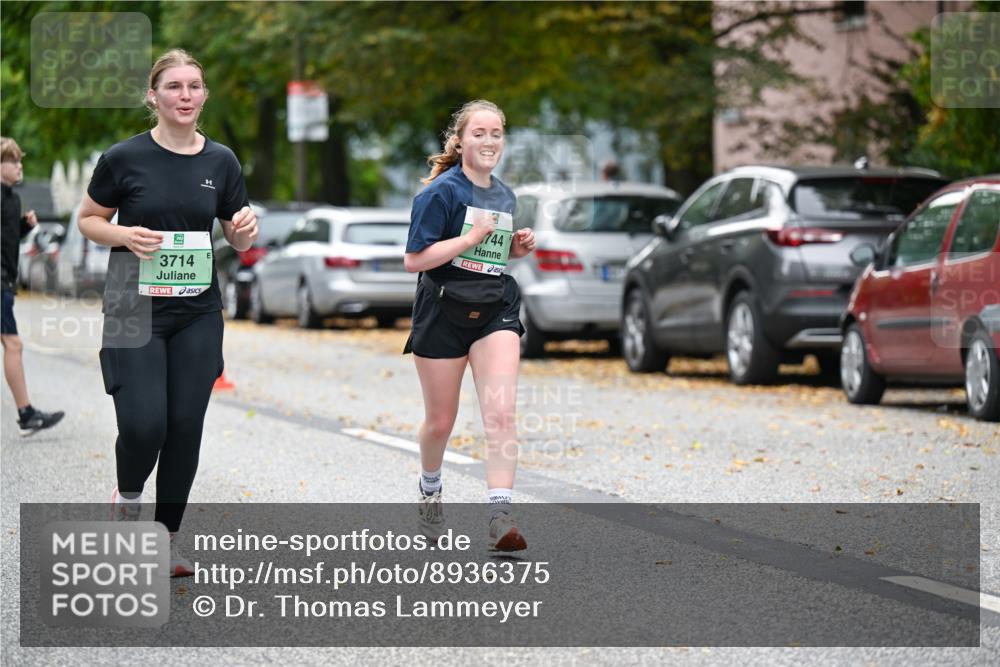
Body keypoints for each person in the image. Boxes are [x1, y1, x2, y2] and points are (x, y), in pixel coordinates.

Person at [78, 49, 257, 576]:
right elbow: (89, 219)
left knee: (184, 424)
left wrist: (244, 233)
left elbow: (235, 230)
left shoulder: (221, 161)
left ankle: (167, 538)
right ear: (153, 96)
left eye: (194, 86)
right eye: (174, 87)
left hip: (198, 310)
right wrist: (123, 234)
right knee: (143, 424)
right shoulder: (123, 158)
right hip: (133, 306)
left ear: (204, 95)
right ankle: (128, 498)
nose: (185, 96)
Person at [403, 100, 536, 552]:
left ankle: (501, 516)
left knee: (500, 413)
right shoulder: (439, 193)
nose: (489, 141)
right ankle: (430, 487)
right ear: (460, 141)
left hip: (493, 306)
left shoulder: (504, 195)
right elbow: (414, 260)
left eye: (496, 133)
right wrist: (469, 238)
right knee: (441, 421)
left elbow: (489, 256)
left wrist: (514, 248)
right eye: (479, 133)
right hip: (443, 308)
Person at [1, 137, 65, 436]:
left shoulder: (11, 198)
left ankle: (26, 413)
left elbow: (6, 237)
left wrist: (23, 227)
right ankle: (26, 413)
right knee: (13, 344)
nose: (19, 165)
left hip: (5, 282)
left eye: (18, 159)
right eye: (11, 160)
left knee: (12, 345)